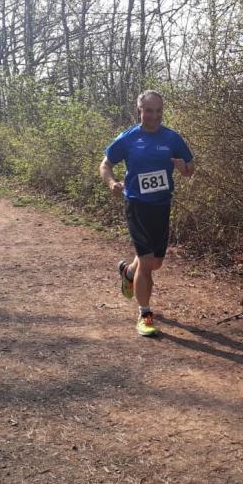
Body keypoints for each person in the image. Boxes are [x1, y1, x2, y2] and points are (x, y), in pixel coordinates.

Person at [99, 90, 194, 337]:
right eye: (149, 111)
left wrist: (184, 168)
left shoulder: (171, 138)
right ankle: (145, 314)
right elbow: (105, 164)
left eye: (158, 111)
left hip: (161, 206)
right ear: (139, 111)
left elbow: (190, 168)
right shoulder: (129, 138)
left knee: (155, 263)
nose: (154, 116)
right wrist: (112, 183)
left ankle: (128, 272)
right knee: (147, 260)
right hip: (137, 205)